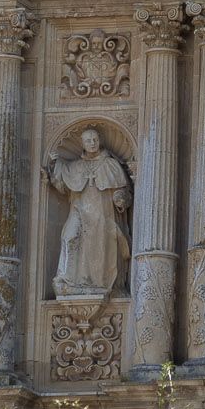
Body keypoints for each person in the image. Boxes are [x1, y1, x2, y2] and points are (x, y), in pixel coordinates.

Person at [45, 126, 130, 297]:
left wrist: (120, 198)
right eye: (88, 140)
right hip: (78, 211)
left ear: (100, 141)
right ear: (82, 143)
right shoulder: (75, 166)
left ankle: (100, 284)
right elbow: (62, 187)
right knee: (69, 237)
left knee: (100, 247)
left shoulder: (110, 165)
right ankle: (68, 279)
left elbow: (124, 190)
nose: (92, 143)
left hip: (102, 215)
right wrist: (54, 166)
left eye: (95, 140)